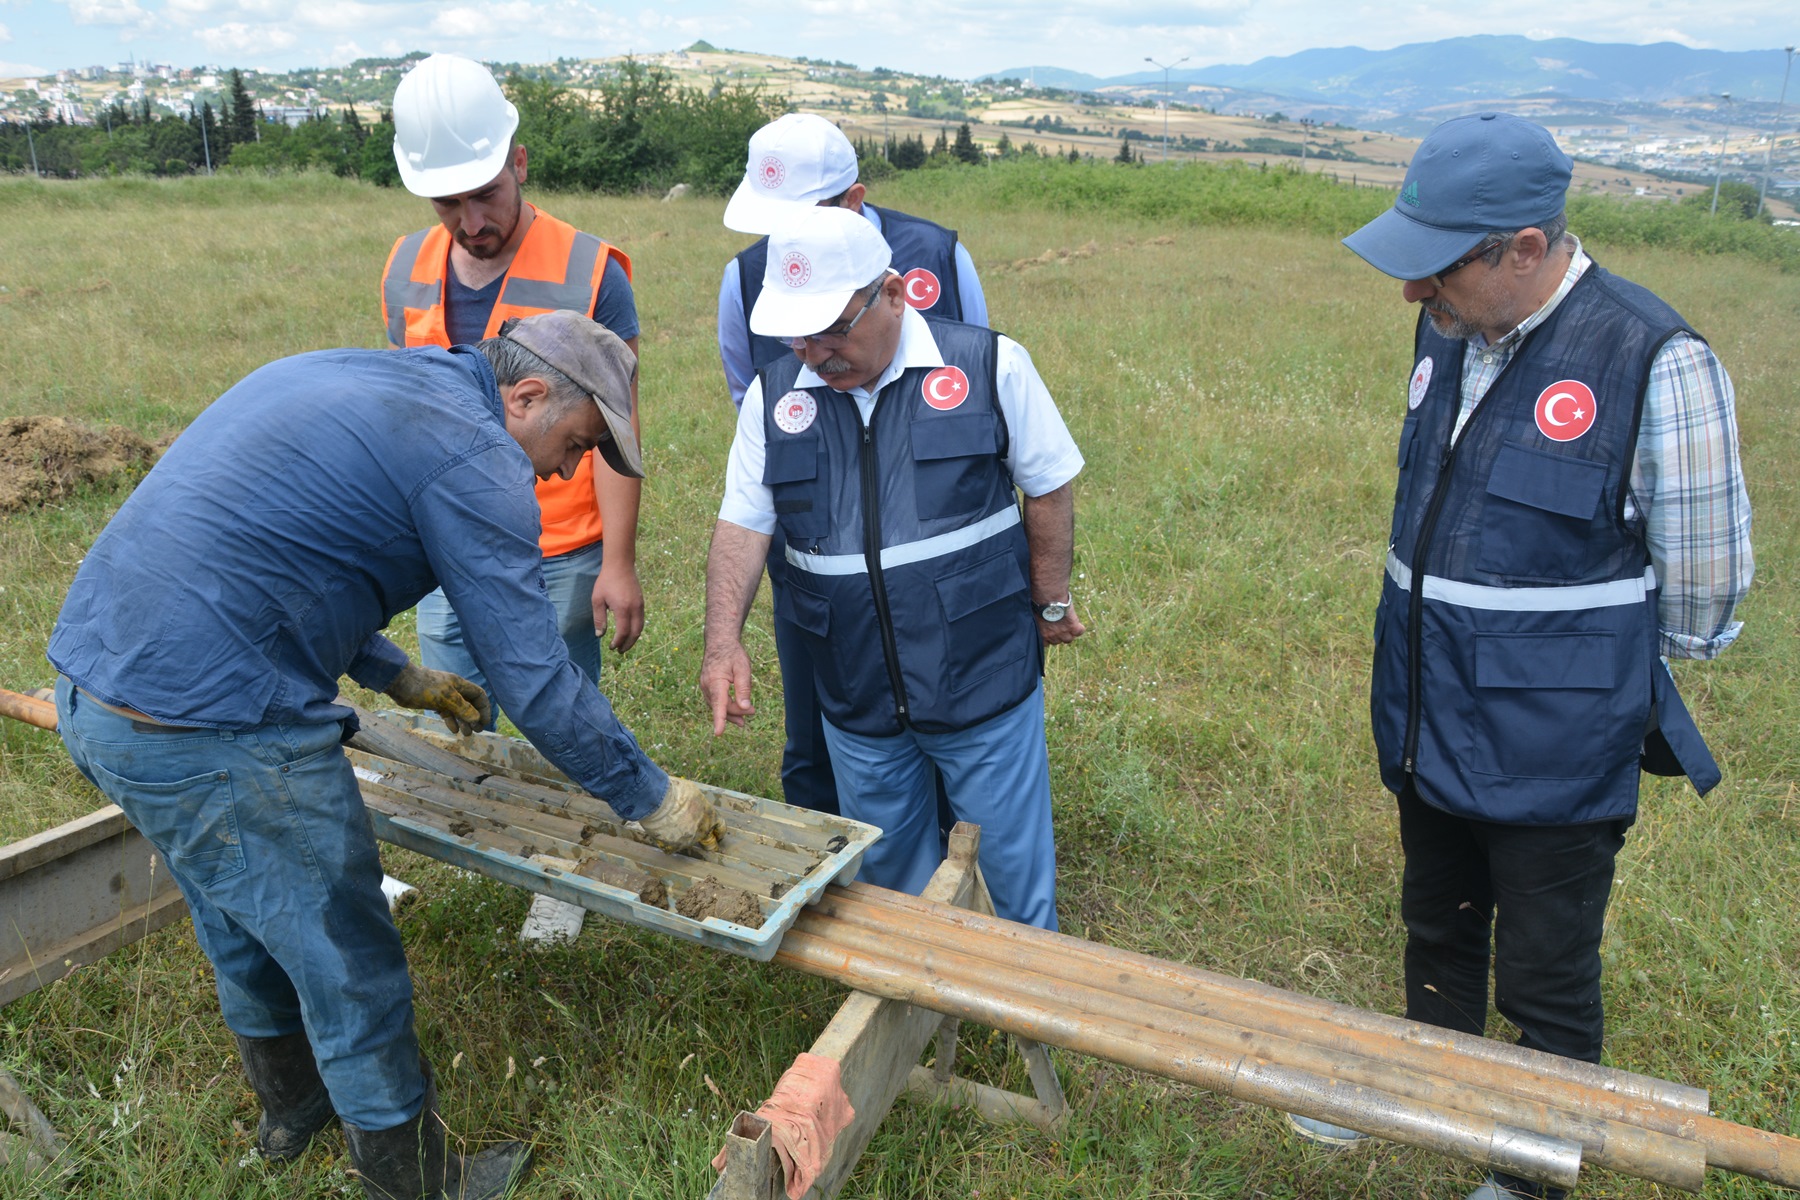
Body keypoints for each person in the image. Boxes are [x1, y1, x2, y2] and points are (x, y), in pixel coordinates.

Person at [47, 310, 722, 1200]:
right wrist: (651, 798)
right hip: (212, 726)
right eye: (579, 441)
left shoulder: (363, 378)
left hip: (99, 694)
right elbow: (534, 677)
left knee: (238, 909)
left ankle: (293, 1112)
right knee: (346, 958)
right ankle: (418, 1184)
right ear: (525, 395)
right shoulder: (476, 459)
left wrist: (398, 674)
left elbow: (287, 556)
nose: (570, 469)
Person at [1293, 113, 1753, 1200]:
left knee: (1546, 971)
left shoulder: (1656, 359)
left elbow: (1703, 598)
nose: (1414, 293)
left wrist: (1568, 670)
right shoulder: (1451, 327)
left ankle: (1533, 1168)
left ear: (1527, 250)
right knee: (1436, 919)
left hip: (1554, 747)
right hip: (1425, 708)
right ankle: (1424, 1088)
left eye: (1436, 267)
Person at [699, 206, 1084, 930]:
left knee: (1012, 872)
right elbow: (742, 526)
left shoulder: (989, 365)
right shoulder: (773, 396)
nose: (815, 351)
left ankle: (1023, 1011)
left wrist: (1050, 599)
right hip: (854, 690)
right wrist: (724, 643)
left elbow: (1051, 484)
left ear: (896, 293)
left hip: (983, 679)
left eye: (834, 329)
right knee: (889, 876)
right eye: (798, 334)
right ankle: (918, 1005)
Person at [716, 111, 988, 819]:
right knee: (819, 711)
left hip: (934, 542)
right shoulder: (745, 278)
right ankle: (838, 856)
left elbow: (978, 387)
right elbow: (754, 403)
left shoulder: (938, 257)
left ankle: (956, 848)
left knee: (949, 700)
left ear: (856, 203)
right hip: (817, 546)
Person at [382, 52, 645, 724]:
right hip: (444, 543)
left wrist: (617, 562)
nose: (471, 221)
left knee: (561, 724)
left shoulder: (593, 271)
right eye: (449, 202)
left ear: (520, 164)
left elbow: (618, 432)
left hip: (555, 550)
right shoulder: (405, 267)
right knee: (455, 731)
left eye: (487, 194)